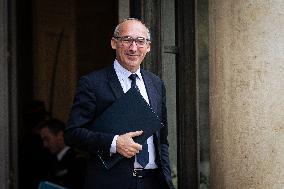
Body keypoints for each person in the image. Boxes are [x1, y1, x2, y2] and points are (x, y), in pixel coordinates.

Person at [64, 18, 175, 189]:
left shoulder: (156, 84)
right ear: (114, 43)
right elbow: (73, 134)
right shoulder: (93, 83)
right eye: (127, 40)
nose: (133, 47)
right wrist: (114, 143)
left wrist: (166, 179)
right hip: (112, 183)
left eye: (140, 41)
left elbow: (162, 140)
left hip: (153, 182)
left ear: (148, 47)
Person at [39, 119, 87, 189]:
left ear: (60, 135)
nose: (45, 144)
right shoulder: (48, 159)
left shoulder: (77, 161)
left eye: (47, 139)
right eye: (43, 140)